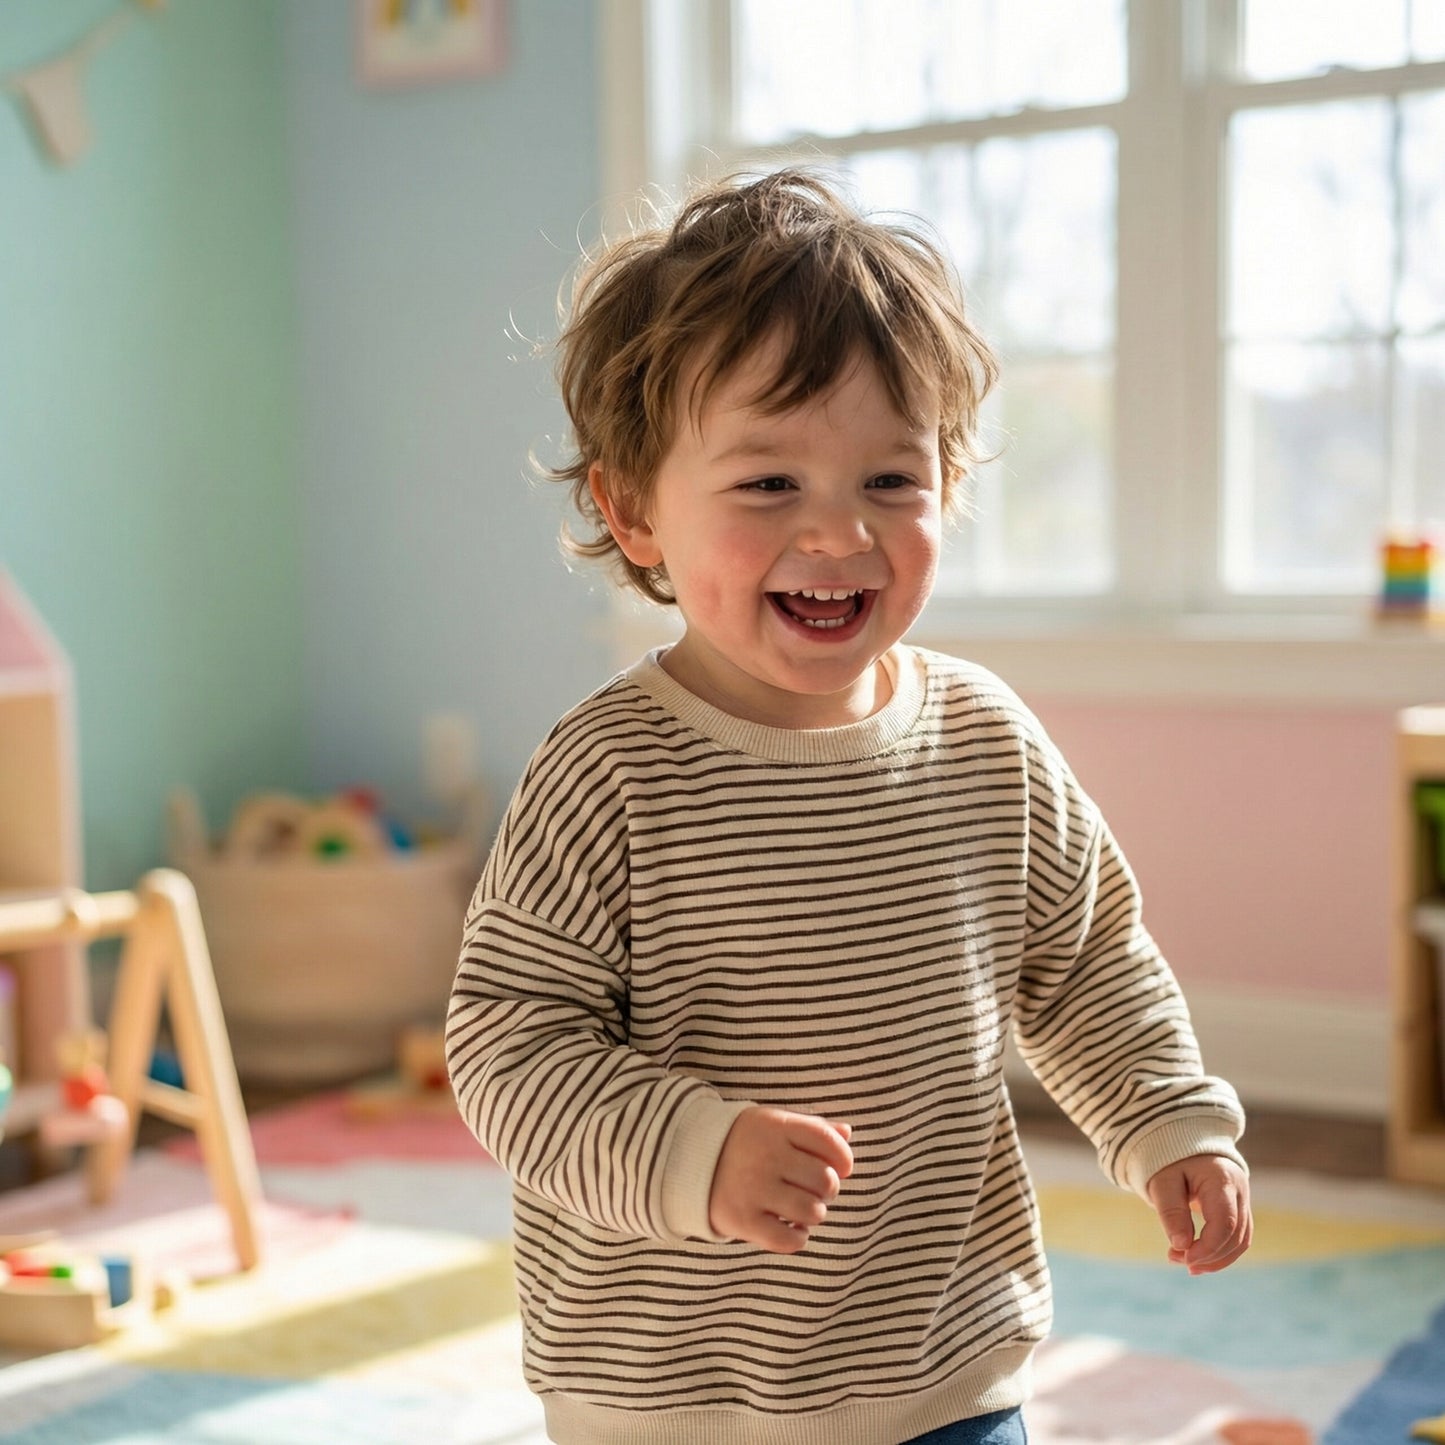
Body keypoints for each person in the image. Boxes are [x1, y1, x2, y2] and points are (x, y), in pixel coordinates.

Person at [446, 167, 1252, 1445]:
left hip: (941, 1357)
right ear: (632, 506)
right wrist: (688, 1149)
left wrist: (1163, 1114)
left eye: (889, 480)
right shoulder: (608, 772)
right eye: (769, 485)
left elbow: (1087, 956)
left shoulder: (984, 741)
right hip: (672, 1390)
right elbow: (505, 1044)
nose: (837, 535)